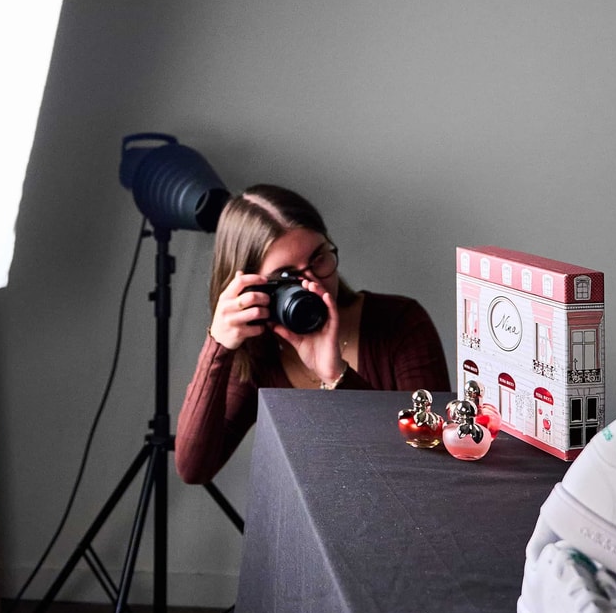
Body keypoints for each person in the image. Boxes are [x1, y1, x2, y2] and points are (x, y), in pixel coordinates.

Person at [175, 185, 448, 485]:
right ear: (252, 287)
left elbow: (431, 463)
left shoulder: (400, 323)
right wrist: (218, 346)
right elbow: (194, 469)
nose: (313, 284)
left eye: (319, 258)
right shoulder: (258, 355)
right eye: (286, 277)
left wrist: (336, 376)